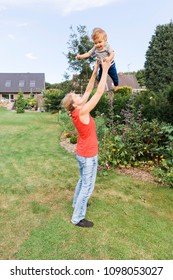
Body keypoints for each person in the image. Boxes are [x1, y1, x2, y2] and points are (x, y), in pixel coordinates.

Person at [62, 60, 111, 227]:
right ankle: (77, 218)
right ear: (75, 104)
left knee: (83, 181)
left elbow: (90, 89)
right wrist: (104, 71)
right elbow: (98, 93)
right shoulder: (82, 110)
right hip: (88, 154)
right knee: (87, 186)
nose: (79, 95)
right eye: (76, 95)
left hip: (83, 153)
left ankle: (77, 203)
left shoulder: (77, 109)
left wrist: (95, 69)